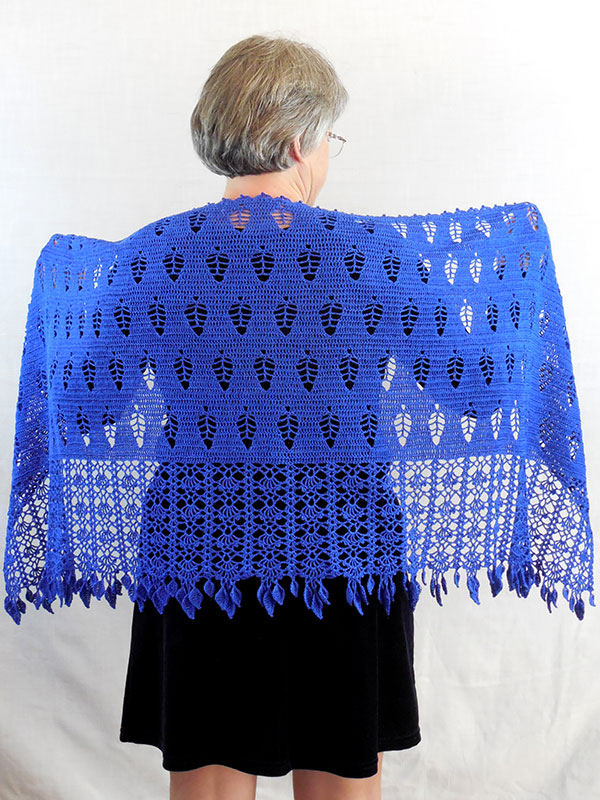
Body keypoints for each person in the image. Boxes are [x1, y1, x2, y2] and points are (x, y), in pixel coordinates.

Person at [118, 33, 421, 800]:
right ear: (295, 143)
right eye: (328, 141)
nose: (326, 158)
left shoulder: (150, 259)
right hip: (342, 539)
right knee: (341, 774)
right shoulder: (375, 256)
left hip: (201, 537)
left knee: (212, 781)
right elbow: (475, 393)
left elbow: (94, 410)